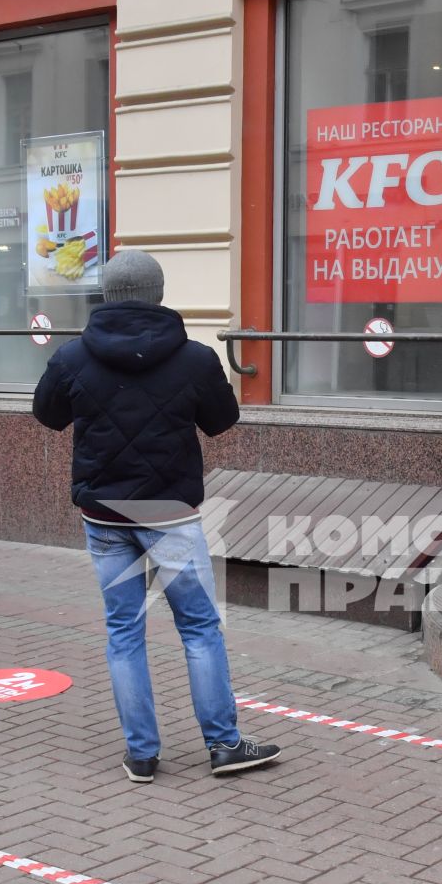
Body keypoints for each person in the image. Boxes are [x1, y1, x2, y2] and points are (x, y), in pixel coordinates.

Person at [32, 250, 282, 782]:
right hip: (169, 513)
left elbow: (47, 415)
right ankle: (223, 745)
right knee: (199, 628)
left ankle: (142, 754)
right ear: (159, 294)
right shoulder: (195, 358)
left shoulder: (72, 357)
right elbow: (222, 420)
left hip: (103, 514)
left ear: (105, 294)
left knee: (124, 631)